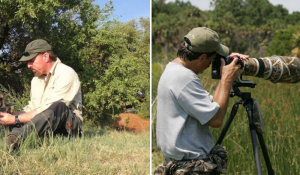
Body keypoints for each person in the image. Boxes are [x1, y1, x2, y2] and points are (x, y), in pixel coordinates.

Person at [154, 27, 249, 174]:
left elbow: (212, 106)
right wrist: (226, 79)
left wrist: (226, 64)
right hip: (190, 167)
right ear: (202, 57)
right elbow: (216, 119)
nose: (210, 64)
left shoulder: (173, 70)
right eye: (212, 60)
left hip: (178, 162)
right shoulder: (183, 77)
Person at [0, 39, 83, 151]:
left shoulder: (66, 73)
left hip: (68, 126)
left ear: (45, 57)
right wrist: (10, 115)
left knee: (59, 106)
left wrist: (15, 119)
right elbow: (33, 108)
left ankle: (15, 138)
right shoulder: (35, 80)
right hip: (45, 123)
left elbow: (50, 110)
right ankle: (17, 137)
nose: (28, 66)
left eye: (31, 61)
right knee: (14, 118)